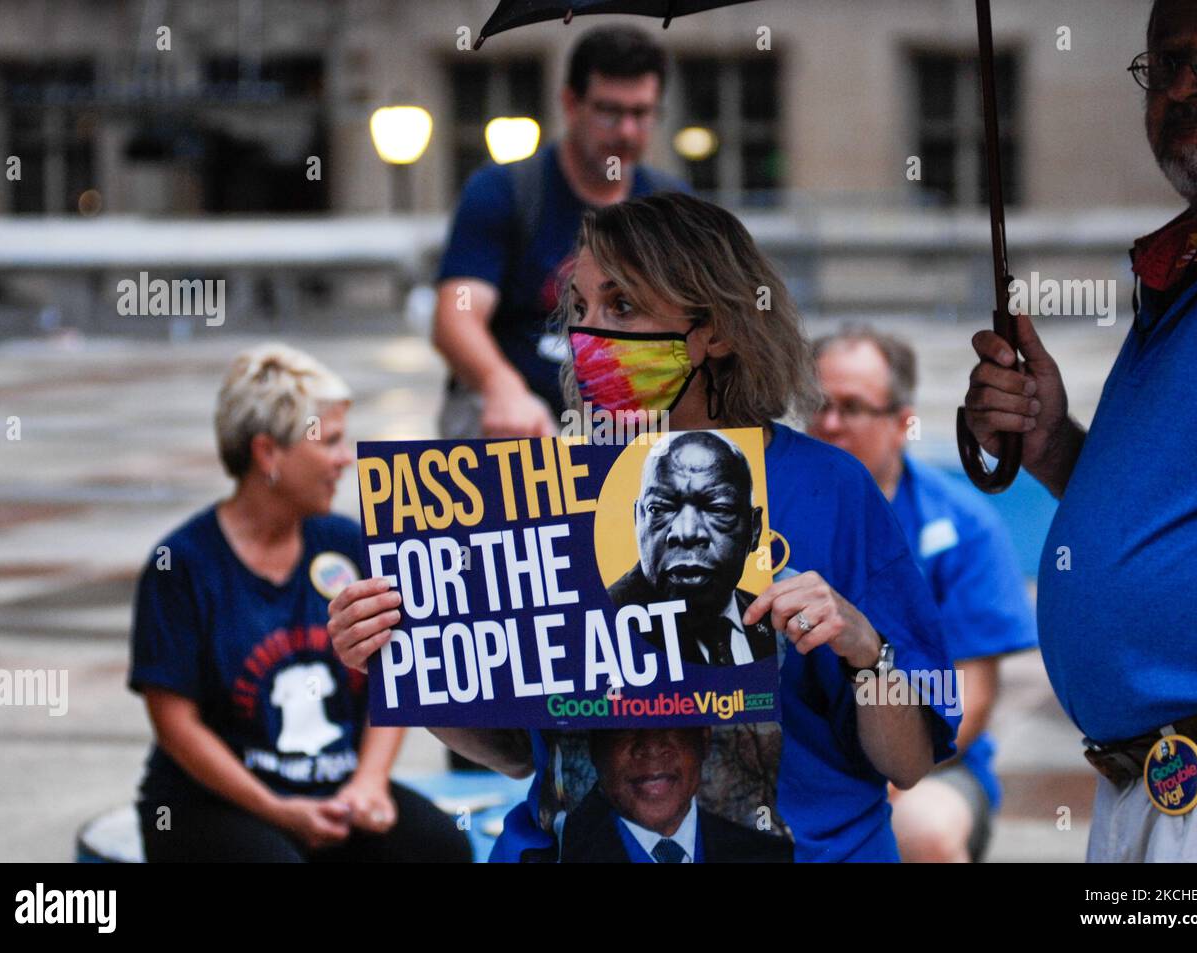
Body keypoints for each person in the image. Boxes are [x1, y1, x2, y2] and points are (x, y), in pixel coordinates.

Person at [331, 193, 961, 862]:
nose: (586, 334)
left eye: (621, 306)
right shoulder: (543, 491)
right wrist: (404, 660)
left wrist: (864, 646)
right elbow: (513, 752)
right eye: (579, 309)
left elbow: (910, 761)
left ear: (715, 328)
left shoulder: (831, 488)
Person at [962, 0, 1197, 862]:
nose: (1184, 86)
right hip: (1160, 787)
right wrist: (1052, 443)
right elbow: (1191, 510)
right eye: (1162, 64)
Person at [128, 343, 471, 863]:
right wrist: (277, 810)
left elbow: (394, 674)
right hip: (213, 803)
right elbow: (175, 725)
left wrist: (369, 785)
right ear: (267, 453)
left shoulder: (344, 542)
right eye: (330, 441)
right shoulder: (182, 564)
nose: (346, 458)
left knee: (440, 847)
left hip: (333, 791)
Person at [810, 327, 1037, 862]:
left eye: (852, 407)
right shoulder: (771, 513)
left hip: (931, 767)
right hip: (799, 761)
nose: (830, 423)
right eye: (818, 405)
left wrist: (892, 774)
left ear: (902, 422)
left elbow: (970, 698)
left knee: (924, 833)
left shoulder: (963, 525)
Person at [433, 25, 688, 440]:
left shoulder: (671, 203)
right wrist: (501, 386)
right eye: (609, 111)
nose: (626, 132)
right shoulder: (507, 191)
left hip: (632, 420)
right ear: (571, 104)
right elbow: (455, 316)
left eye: (641, 114)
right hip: (523, 422)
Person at [606, 430, 776, 666]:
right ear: (638, 520)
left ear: (754, 529)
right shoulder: (601, 623)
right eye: (660, 509)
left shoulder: (771, 621)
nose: (686, 532)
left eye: (719, 509)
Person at [560, 729, 793, 862]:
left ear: (704, 739)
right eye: (624, 723)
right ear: (595, 747)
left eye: (672, 715)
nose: (651, 746)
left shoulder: (775, 857)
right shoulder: (556, 855)